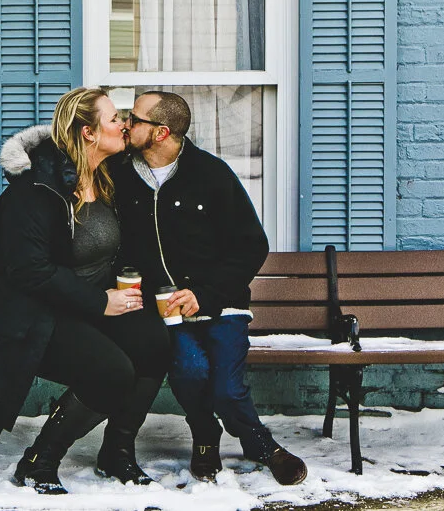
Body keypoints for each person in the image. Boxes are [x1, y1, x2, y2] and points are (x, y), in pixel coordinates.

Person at [0, 87, 171, 495]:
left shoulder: (107, 177)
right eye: (114, 119)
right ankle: (40, 460)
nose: (124, 125)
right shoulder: (33, 192)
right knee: (111, 370)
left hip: (89, 307)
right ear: (88, 132)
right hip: (35, 316)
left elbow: (168, 159)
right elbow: (29, 272)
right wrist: (100, 301)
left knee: (155, 341)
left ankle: (117, 454)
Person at [108, 90, 308, 486]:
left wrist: (207, 293)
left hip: (222, 304)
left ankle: (259, 443)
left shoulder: (211, 174)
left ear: (161, 132)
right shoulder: (119, 173)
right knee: (189, 372)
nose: (127, 123)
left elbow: (252, 245)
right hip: (165, 308)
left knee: (228, 390)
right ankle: (205, 435)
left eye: (136, 117)